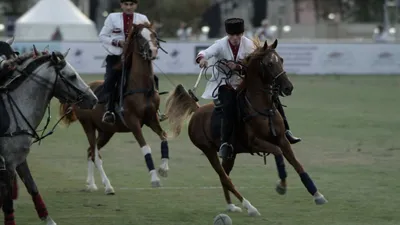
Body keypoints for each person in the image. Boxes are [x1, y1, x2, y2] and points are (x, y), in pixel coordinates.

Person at [195, 18, 300, 159]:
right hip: (224, 84)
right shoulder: (220, 45)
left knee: (273, 97)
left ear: (242, 33)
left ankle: (286, 130)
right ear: (228, 35)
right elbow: (205, 53)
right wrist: (202, 59)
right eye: (232, 35)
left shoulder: (249, 44)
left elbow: (254, 63)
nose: (235, 38)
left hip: (242, 83)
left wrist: (237, 67)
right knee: (229, 107)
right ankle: (225, 144)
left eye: (238, 35)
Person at [99, 0, 165, 125]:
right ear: (121, 5)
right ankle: (110, 111)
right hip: (116, 57)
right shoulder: (112, 18)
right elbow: (102, 36)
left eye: (131, 4)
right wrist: (117, 42)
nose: (129, 7)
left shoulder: (142, 18)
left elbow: (147, 35)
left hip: (136, 58)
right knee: (110, 80)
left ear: (136, 5)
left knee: (153, 79)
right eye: (126, 4)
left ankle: (156, 110)